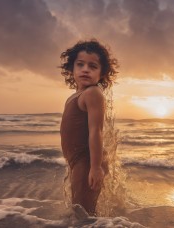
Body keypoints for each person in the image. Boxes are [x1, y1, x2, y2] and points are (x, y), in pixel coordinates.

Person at [59, 39, 118, 215]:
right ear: (72, 69)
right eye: (80, 64)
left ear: (101, 74)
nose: (85, 69)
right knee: (81, 212)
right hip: (78, 162)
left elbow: (96, 131)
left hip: (88, 161)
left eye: (93, 66)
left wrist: (95, 167)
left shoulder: (92, 93)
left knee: (83, 215)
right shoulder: (76, 96)